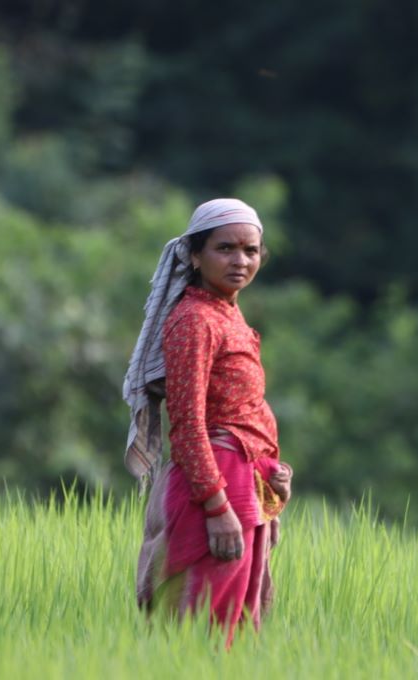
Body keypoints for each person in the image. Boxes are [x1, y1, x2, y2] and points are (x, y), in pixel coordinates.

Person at [122, 198, 292, 644]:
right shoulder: (194, 319)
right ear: (194, 255)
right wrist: (217, 509)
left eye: (251, 250)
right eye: (225, 248)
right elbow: (188, 424)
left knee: (232, 625)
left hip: (241, 482)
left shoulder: (227, 312)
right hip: (214, 485)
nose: (240, 260)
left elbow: (248, 411)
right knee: (199, 625)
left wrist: (270, 487)